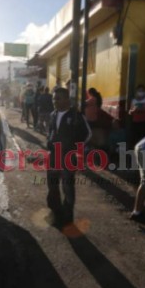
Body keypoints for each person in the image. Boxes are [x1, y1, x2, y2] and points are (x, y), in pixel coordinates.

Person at [46, 87, 91, 229]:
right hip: (53, 156)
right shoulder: (53, 114)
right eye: (53, 98)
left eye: (57, 98)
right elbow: (50, 131)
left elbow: (87, 134)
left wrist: (73, 147)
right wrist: (49, 141)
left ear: (67, 99)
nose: (54, 101)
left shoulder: (76, 116)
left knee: (67, 188)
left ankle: (67, 218)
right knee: (52, 186)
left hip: (68, 158)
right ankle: (55, 212)